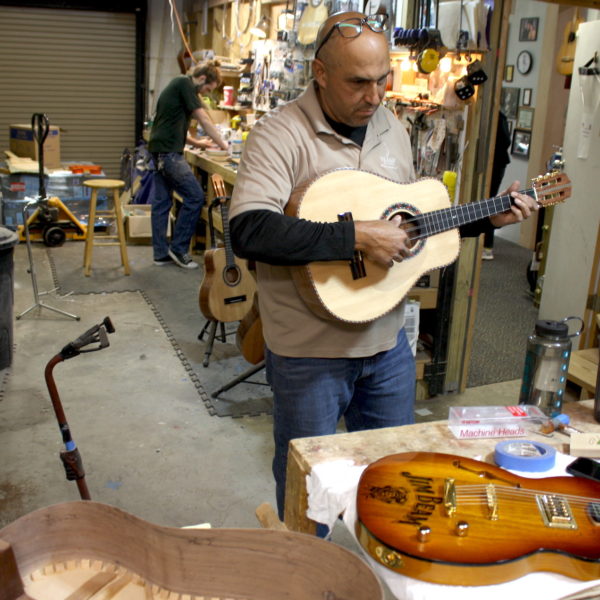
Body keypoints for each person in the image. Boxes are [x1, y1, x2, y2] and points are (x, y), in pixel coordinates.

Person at [229, 11, 538, 525]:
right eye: (358, 82)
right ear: (321, 74)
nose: (373, 95)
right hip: (310, 357)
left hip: (388, 347)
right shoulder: (277, 134)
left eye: (382, 79)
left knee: (398, 487)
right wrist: (354, 236)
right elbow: (249, 231)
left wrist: (488, 218)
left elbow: (407, 224)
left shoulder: (390, 125)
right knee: (310, 504)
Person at [148, 60, 228, 269]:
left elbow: (172, 123)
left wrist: (198, 143)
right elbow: (203, 118)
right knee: (195, 197)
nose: (203, 95)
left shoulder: (178, 86)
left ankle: (160, 254)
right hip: (169, 154)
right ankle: (179, 249)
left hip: (159, 151)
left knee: (162, 204)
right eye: (206, 89)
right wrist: (224, 146)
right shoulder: (184, 83)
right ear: (201, 79)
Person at [482, 110, 512, 260]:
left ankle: (487, 246)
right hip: (494, 163)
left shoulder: (498, 117)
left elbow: (506, 141)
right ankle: (486, 245)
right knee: (487, 205)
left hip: (496, 164)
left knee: (491, 205)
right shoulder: (496, 116)